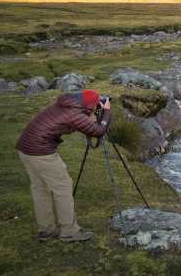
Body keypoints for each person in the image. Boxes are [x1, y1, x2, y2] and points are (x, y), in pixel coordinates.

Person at [16, 89, 111, 242]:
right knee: (63, 187)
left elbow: (81, 119)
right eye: (96, 104)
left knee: (40, 188)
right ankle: (69, 232)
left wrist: (91, 113)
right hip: (41, 152)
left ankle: (46, 230)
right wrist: (106, 112)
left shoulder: (68, 103)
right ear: (89, 106)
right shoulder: (74, 115)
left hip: (25, 148)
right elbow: (98, 131)